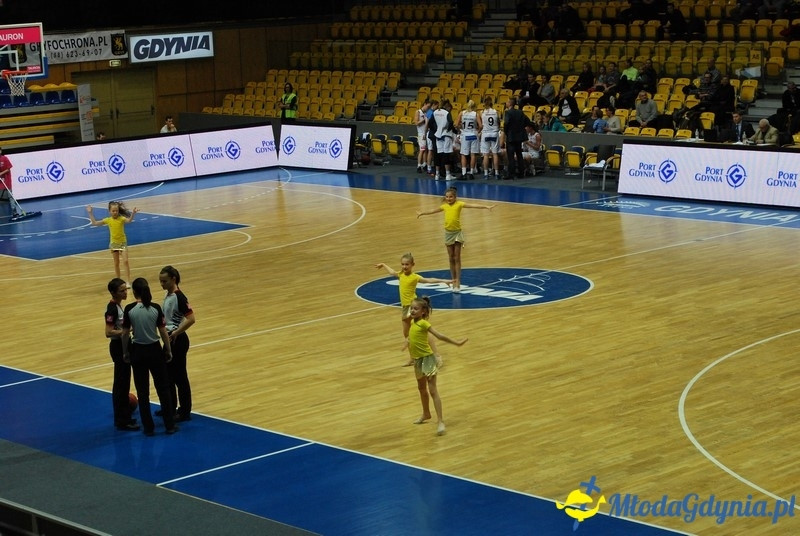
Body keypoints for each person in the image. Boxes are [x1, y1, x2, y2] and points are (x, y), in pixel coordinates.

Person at [121, 277, 177, 437]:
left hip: (138, 352)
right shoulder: (155, 308)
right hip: (154, 351)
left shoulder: (130, 309)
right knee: (163, 389)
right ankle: (170, 425)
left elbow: (125, 333)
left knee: (143, 392)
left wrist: (125, 352)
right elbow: (163, 331)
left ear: (135, 292)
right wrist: (168, 349)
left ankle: (148, 428)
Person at [405, 295, 467, 436]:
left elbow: (440, 336)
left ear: (423, 312)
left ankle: (440, 421)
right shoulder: (413, 323)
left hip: (428, 360)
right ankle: (426, 414)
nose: (412, 311)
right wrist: (407, 342)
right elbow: (413, 337)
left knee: (433, 390)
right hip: (417, 361)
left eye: (416, 309)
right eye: (411, 308)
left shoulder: (424, 324)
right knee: (421, 388)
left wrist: (456, 343)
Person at [375, 253, 453, 365]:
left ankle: (437, 356)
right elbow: (392, 272)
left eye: (407, 264)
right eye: (402, 264)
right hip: (405, 308)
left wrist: (444, 281)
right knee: (406, 334)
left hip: (413, 308)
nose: (404, 267)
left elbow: (429, 280)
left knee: (424, 331)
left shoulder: (415, 277)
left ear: (412, 265)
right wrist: (383, 264)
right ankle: (413, 358)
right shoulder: (401, 274)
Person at [417, 186, 495, 292]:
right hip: (448, 234)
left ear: (455, 197)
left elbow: (473, 205)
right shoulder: (444, 206)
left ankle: (458, 280)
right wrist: (422, 213)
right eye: (447, 197)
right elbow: (433, 211)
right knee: (451, 258)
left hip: (457, 233)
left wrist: (486, 207)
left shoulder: (460, 204)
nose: (449, 199)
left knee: (457, 257)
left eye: (451, 197)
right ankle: (453, 280)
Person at [158, 265, 195, 423]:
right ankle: (170, 407)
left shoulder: (180, 297)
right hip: (169, 339)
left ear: (173, 279)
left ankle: (185, 411)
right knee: (168, 377)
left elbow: (191, 319)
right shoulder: (168, 295)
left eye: (164, 281)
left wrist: (177, 332)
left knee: (180, 377)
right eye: (160, 281)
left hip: (177, 340)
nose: (162, 284)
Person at [104, 278, 139, 432]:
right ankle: (122, 420)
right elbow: (108, 332)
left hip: (122, 345)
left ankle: (124, 416)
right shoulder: (112, 309)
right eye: (122, 291)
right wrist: (126, 331)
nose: (125, 293)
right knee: (121, 384)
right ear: (113, 293)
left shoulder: (118, 306)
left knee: (124, 383)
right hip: (118, 347)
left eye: (126, 290)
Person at [87, 201, 139, 283]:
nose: (115, 212)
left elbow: (129, 221)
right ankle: (118, 281)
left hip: (122, 243)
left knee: (125, 261)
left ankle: (128, 281)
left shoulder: (121, 219)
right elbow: (95, 223)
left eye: (117, 211)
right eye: (113, 211)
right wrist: (90, 213)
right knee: (116, 263)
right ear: (109, 211)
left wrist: (133, 213)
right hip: (114, 244)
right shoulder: (108, 220)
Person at [431, 99, 458, 181]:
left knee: (438, 155)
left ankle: (437, 174)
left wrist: (437, 129)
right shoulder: (446, 113)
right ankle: (448, 174)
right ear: (448, 106)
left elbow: (430, 123)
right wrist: (448, 129)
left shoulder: (435, 112)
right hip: (446, 135)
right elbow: (450, 122)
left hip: (438, 135)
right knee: (446, 155)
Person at [502, 96, 528, 179]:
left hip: (511, 136)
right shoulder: (520, 112)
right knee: (519, 154)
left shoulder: (508, 113)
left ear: (510, 103)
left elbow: (506, 123)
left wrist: (506, 132)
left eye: (507, 102)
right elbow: (527, 121)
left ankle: (511, 173)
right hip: (519, 136)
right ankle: (521, 173)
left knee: (511, 156)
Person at [456, 99, 482, 179]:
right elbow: (481, 126)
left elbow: (456, 124)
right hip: (473, 134)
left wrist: (460, 131)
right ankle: (471, 172)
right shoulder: (475, 114)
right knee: (473, 154)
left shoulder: (462, 113)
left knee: (463, 154)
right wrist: (478, 132)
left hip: (465, 134)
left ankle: (463, 173)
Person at [480, 95, 502, 180]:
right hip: (494, 133)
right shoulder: (495, 111)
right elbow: (498, 122)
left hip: (485, 133)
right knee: (495, 154)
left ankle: (486, 174)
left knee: (486, 154)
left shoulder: (482, 112)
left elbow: (481, 123)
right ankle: (496, 173)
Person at [415, 99, 431, 173]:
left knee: (425, 150)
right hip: (421, 134)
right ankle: (419, 165)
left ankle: (424, 164)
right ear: (425, 104)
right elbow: (416, 123)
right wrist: (424, 120)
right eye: (427, 106)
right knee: (422, 150)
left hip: (426, 133)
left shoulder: (426, 113)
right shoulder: (418, 112)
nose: (428, 108)